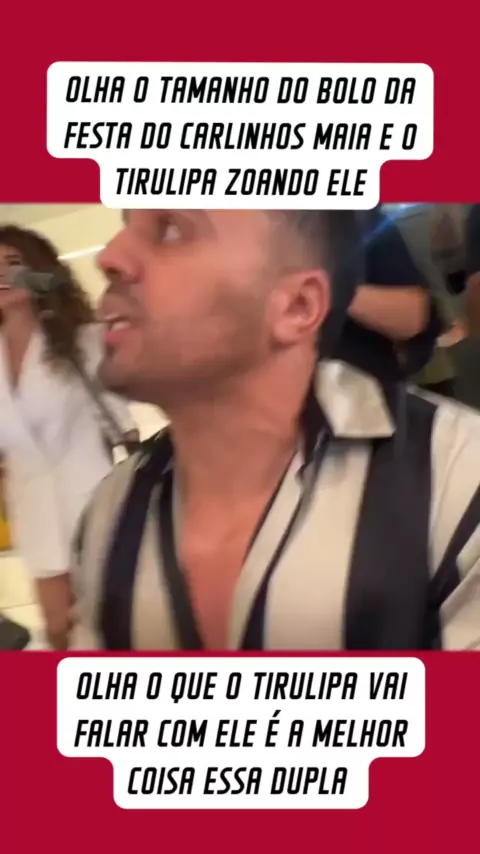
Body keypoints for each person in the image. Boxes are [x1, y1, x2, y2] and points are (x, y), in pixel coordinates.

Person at [71, 209, 480, 651]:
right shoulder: (111, 513)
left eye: (171, 230)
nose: (109, 257)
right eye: (127, 226)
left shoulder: (455, 485)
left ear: (300, 305)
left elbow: (416, 315)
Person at [0, 225, 139, 649]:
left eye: (13, 262)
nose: (2, 274)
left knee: (110, 627)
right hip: (33, 510)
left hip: (94, 502)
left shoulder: (84, 341)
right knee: (58, 629)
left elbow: (121, 418)